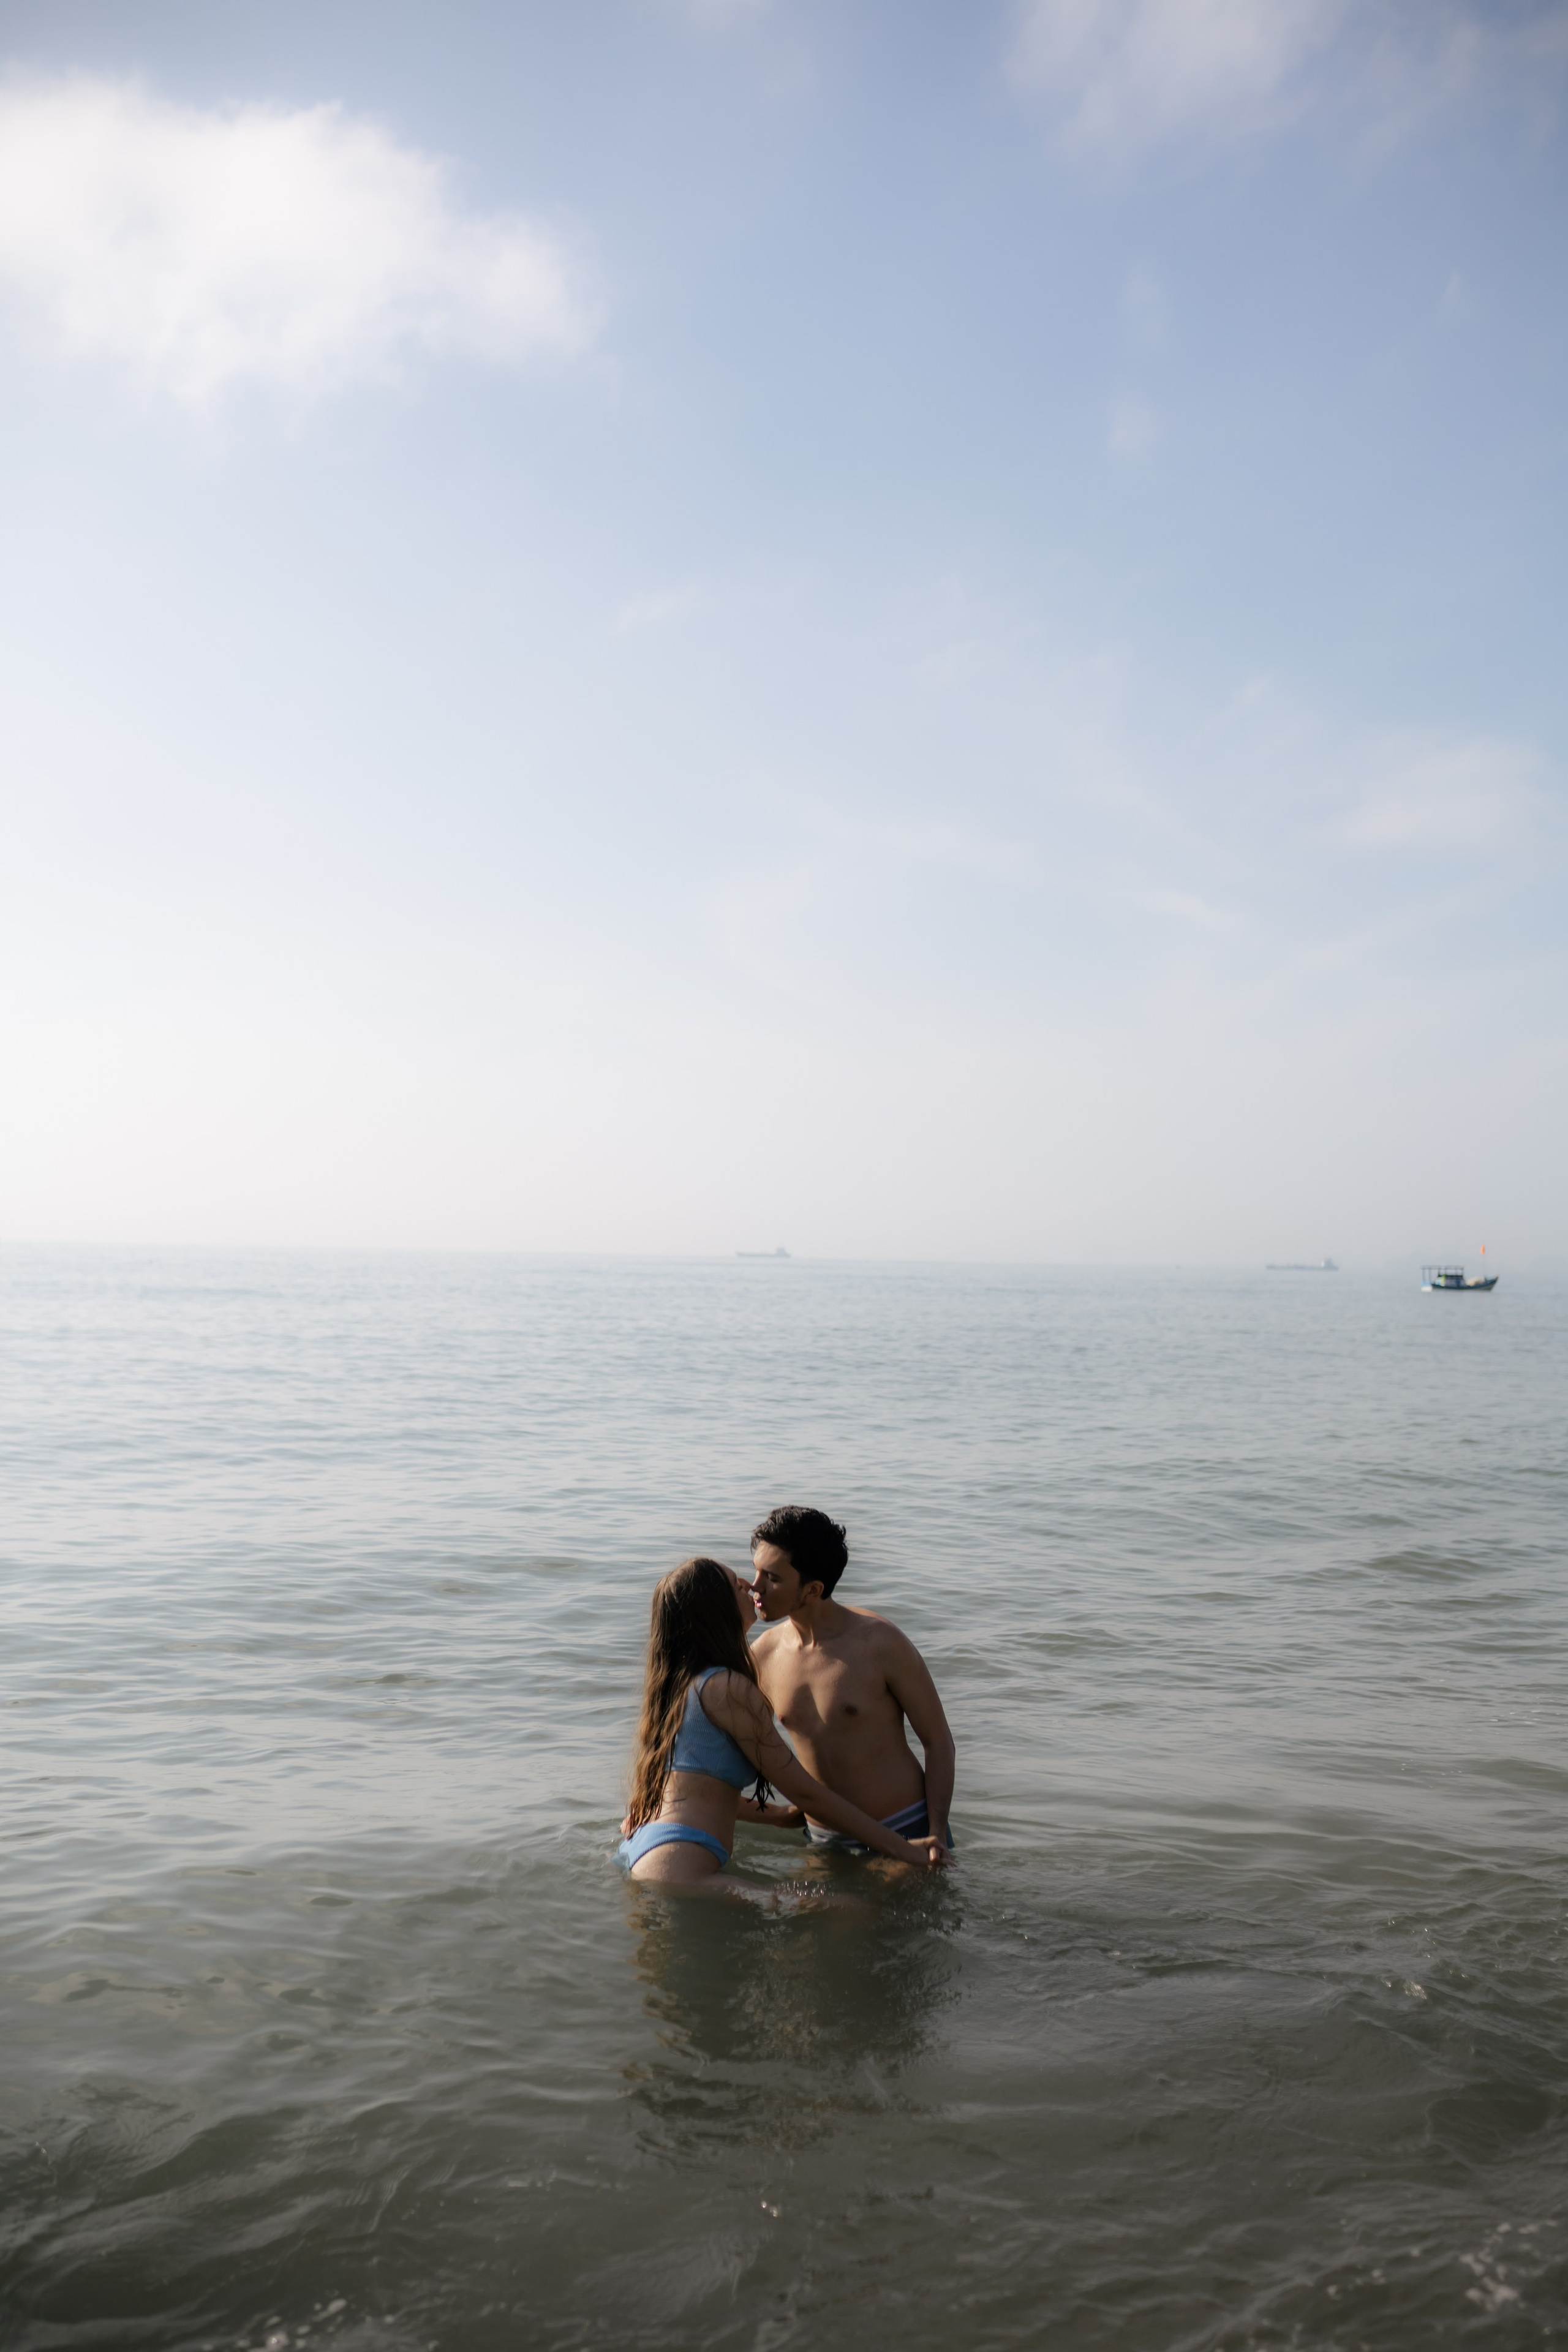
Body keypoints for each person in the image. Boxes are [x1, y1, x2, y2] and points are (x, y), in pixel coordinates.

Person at [619, 1556, 953, 1885]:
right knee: (847, 1913)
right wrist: (903, 1850)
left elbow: (701, 1787)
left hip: (649, 1848)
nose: (752, 1585)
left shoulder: (687, 1681)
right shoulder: (732, 1684)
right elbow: (804, 1792)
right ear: (716, 1609)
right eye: (739, 1584)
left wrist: (785, 1817)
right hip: (679, 1862)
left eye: (770, 1575)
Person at [748, 1506, 956, 1854]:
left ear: (813, 1590)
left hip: (907, 1829)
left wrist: (936, 1830)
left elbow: (938, 1742)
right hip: (824, 1841)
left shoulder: (879, 1643)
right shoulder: (763, 1655)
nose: (755, 1588)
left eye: (773, 1578)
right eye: (756, 1572)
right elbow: (721, 1740)